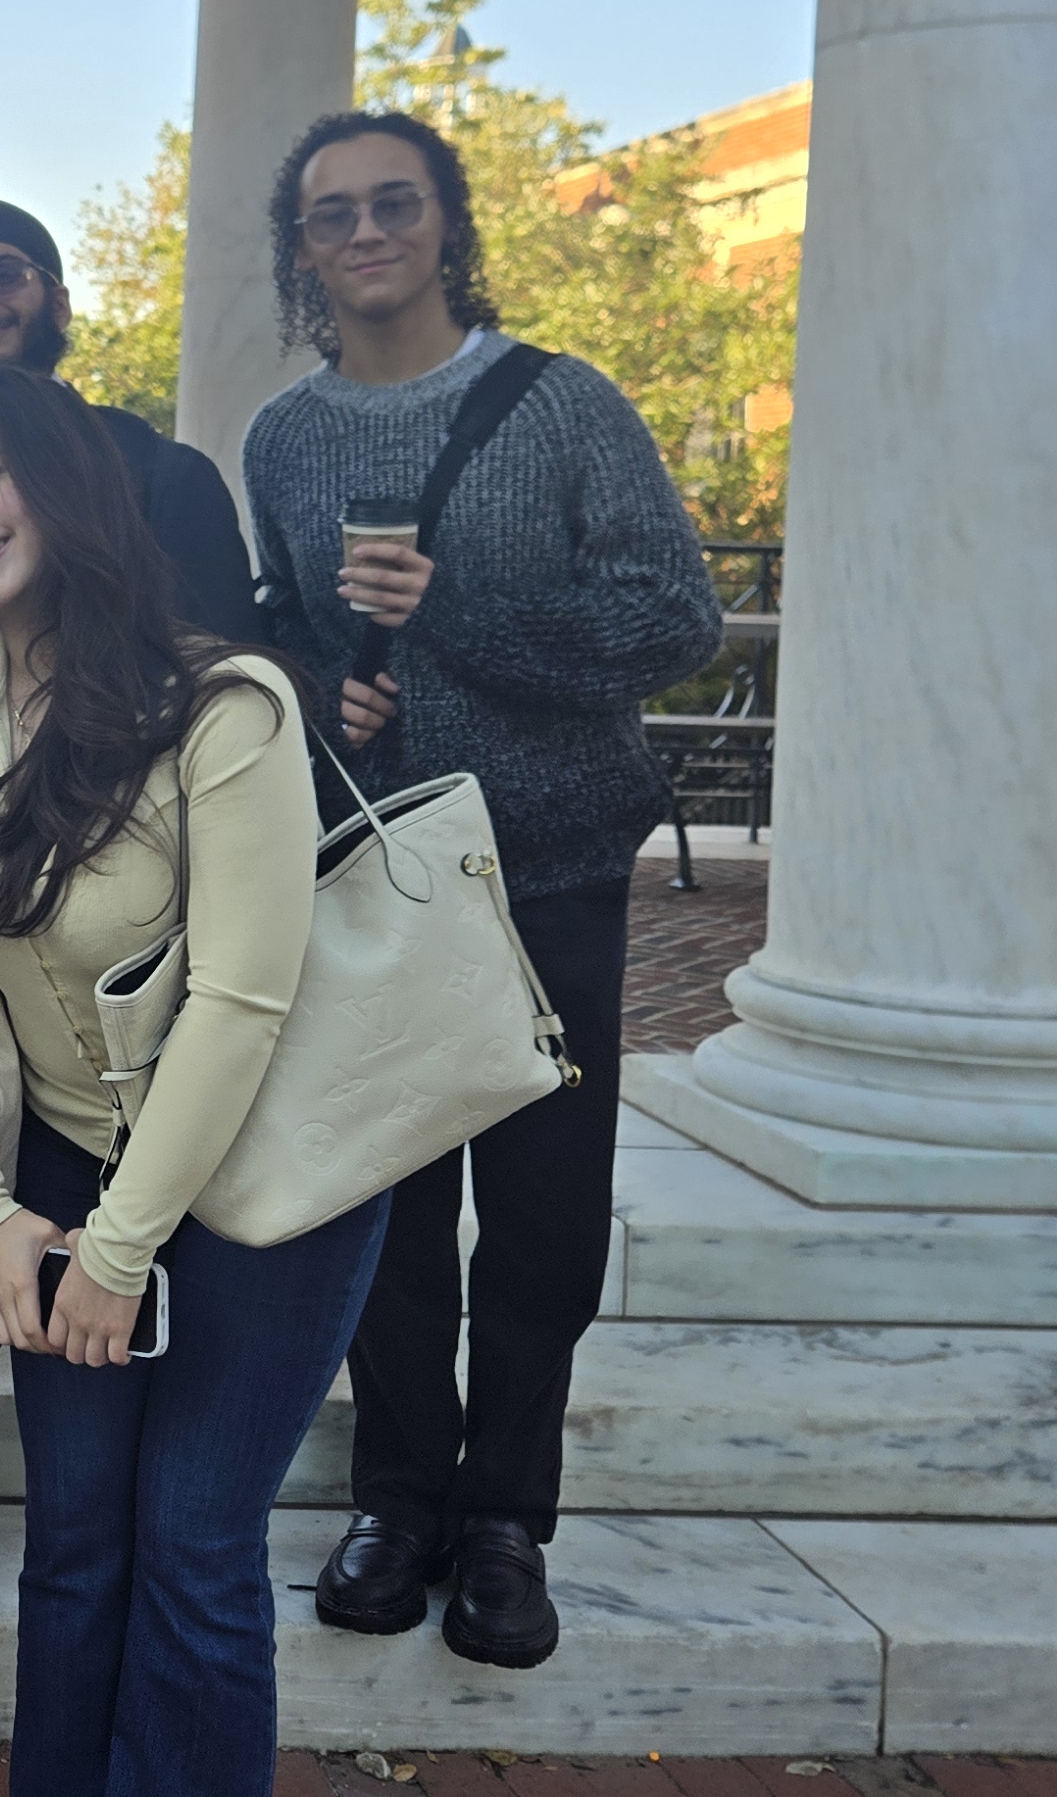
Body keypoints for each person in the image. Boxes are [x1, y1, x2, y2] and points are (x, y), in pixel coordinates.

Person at [237, 109, 719, 1670]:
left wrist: (458, 619)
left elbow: (674, 622)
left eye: (394, 203)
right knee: (384, 1201)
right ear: (301, 251)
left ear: (448, 224)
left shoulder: (564, 405)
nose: (365, 232)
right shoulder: (286, 441)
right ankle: (396, 1496)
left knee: (541, 1207)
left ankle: (507, 1514)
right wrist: (325, 686)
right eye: (331, 215)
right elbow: (279, 625)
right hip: (373, 862)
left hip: (553, 868)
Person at [0, 364, 357, 1797]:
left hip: (267, 1178)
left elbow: (242, 1003)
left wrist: (122, 1252)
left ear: (63, 480)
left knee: (197, 1542)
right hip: (59, 1165)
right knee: (73, 1543)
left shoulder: (226, 700)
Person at [0, 159, 263, 1603]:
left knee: (189, 1533)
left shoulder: (168, 488)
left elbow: (225, 683)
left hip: (172, 973)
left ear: (53, 296)